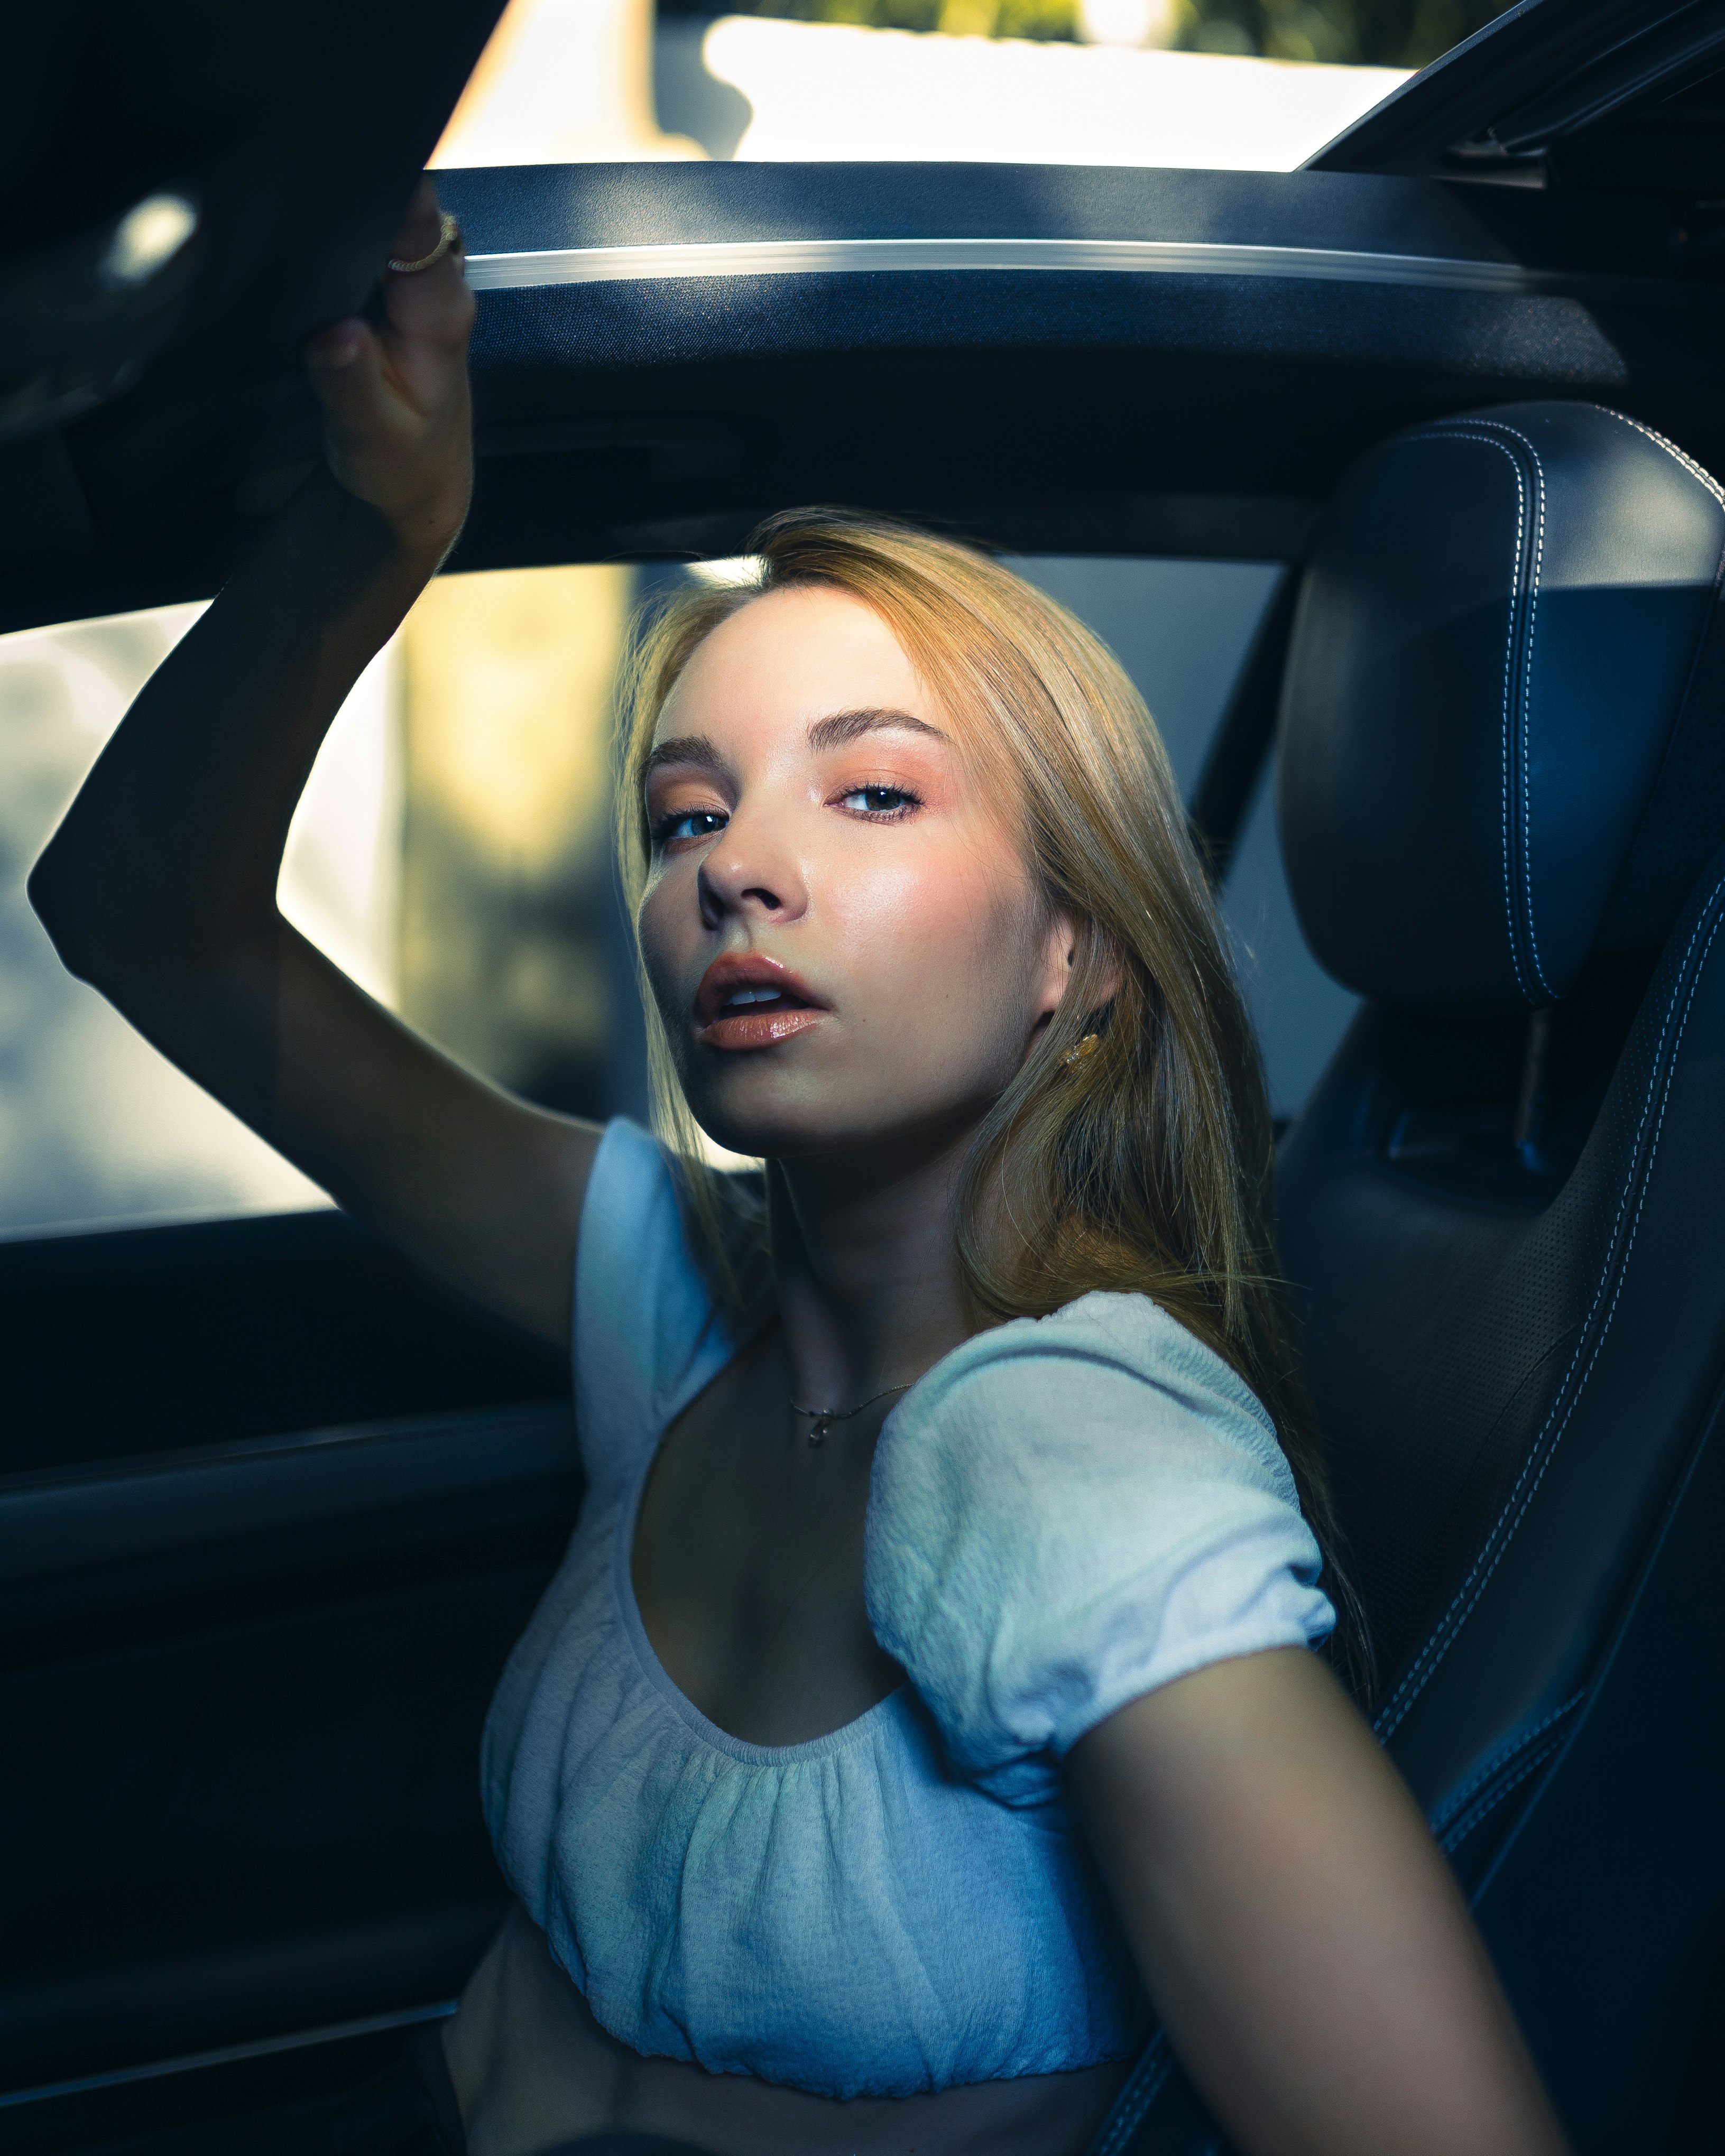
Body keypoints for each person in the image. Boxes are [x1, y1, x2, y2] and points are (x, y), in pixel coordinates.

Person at [29, 182, 1571, 2156]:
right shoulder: (678, 1299)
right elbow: (138, 904)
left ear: (1068, 950)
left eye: (872, 790)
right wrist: (379, 529)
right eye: (688, 816)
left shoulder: (1072, 1450)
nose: (737, 868)